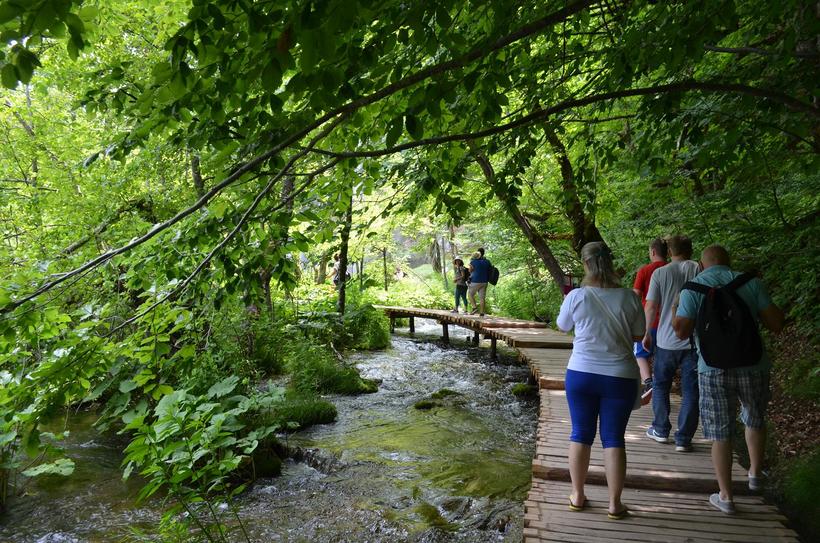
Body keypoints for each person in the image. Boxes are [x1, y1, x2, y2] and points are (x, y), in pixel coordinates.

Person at [673, 245, 784, 514]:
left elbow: (680, 331)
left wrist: (679, 308)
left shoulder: (693, 288)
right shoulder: (751, 282)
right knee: (755, 417)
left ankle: (726, 496)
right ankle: (755, 474)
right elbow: (776, 323)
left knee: (720, 431)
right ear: (729, 261)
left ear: (702, 264)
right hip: (753, 365)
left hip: (712, 369)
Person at [556, 242, 645, 520]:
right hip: (620, 376)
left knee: (580, 433)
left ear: (585, 264)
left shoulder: (577, 297)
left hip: (581, 374)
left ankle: (578, 495)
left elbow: (562, 325)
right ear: (610, 262)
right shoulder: (629, 297)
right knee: (614, 438)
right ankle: (614, 504)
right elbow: (639, 335)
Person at [642, 235, 700, 452]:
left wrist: (647, 332)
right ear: (690, 249)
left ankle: (660, 429)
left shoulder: (661, 272)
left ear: (670, 251)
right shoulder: (697, 269)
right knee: (691, 391)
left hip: (665, 339)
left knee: (660, 385)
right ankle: (684, 439)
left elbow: (651, 306)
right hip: (692, 340)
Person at [632, 238, 668, 403]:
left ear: (653, 252)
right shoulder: (673, 269)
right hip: (669, 323)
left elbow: (635, 297)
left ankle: (648, 383)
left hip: (649, 321)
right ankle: (661, 385)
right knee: (662, 355)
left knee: (640, 354)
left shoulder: (645, 271)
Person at [468, 250, 492, 316]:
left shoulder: (473, 262)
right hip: (485, 282)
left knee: (470, 294)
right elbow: (490, 269)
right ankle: (482, 313)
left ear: (474, 257)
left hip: (475, 281)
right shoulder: (487, 262)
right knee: (482, 298)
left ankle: (474, 307)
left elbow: (470, 271)